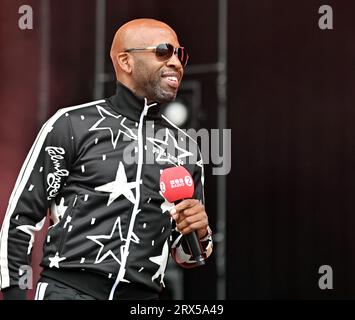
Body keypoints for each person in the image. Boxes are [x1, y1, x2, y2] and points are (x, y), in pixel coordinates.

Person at [0, 18, 212, 300]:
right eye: (164, 51)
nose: (176, 62)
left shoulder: (185, 148)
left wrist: (199, 233)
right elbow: (20, 220)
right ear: (125, 61)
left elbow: (184, 255)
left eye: (179, 54)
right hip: (69, 291)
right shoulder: (72, 124)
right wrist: (15, 294)